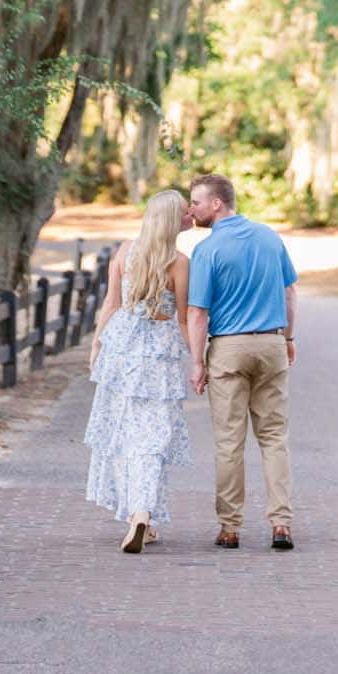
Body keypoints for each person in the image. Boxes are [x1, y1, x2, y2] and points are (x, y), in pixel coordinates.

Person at [186, 172, 298, 551]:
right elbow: (289, 291)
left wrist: (197, 363)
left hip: (229, 350)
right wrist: (289, 337)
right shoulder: (269, 236)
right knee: (274, 438)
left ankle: (230, 528)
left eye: (196, 202)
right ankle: (281, 523)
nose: (192, 209)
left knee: (229, 442)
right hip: (271, 344)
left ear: (216, 203)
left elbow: (197, 313)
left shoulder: (207, 250)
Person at [84, 190, 192, 553]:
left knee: (125, 435)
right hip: (157, 356)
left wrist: (97, 343)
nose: (190, 215)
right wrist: (198, 358)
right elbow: (182, 316)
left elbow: (111, 303)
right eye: (184, 211)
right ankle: (144, 512)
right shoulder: (179, 261)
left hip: (121, 350)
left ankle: (137, 515)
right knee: (153, 439)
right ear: (173, 220)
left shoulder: (126, 250)